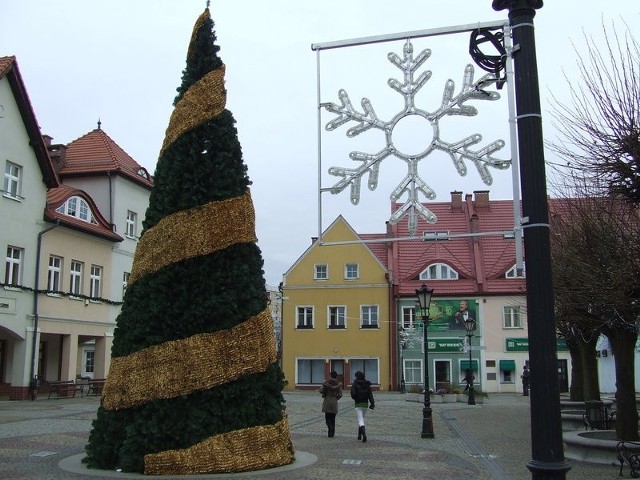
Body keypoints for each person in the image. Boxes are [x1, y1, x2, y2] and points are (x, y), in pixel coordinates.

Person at [350, 370, 375, 442]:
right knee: (362, 419)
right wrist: (372, 403)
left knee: (360, 419)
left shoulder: (355, 384)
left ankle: (364, 435)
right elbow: (370, 394)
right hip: (365, 404)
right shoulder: (367, 384)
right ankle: (359, 435)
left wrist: (355, 398)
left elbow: (353, 394)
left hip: (358, 403)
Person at [319, 371, 342, 437]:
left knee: (327, 417)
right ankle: (332, 433)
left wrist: (323, 386)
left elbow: (320, 391)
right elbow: (340, 394)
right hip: (334, 401)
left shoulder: (327, 383)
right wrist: (336, 398)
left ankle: (330, 429)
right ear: (336, 376)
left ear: (330, 375)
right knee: (333, 418)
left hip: (327, 401)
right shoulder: (338, 384)